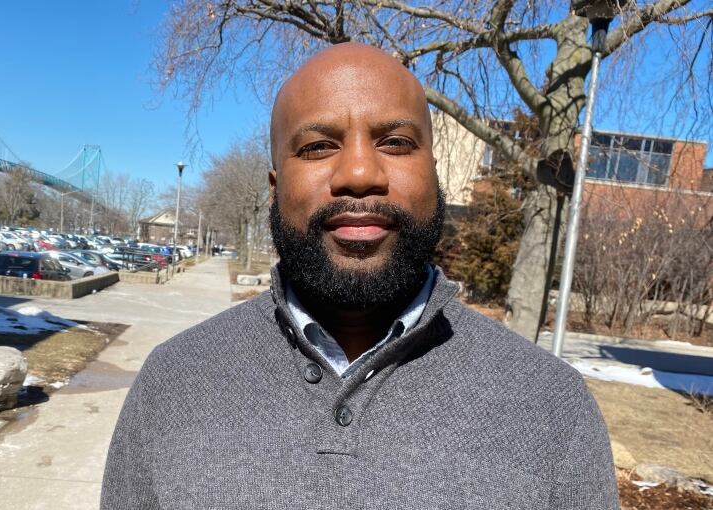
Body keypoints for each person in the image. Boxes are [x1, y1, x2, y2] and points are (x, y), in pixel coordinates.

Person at [101, 42, 618, 509]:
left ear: (434, 177)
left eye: (394, 142)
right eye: (318, 146)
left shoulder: (553, 408)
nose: (359, 174)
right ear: (276, 186)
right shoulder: (171, 385)